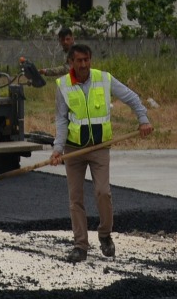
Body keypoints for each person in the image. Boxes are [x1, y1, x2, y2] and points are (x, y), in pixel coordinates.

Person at [49, 43, 152, 262]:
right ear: (71, 63)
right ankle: (80, 246)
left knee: (103, 192)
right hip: (73, 149)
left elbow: (131, 97)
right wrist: (58, 149)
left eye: (87, 60)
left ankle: (105, 234)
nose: (84, 64)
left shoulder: (103, 79)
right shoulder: (63, 85)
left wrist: (143, 119)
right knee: (75, 198)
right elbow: (61, 119)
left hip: (99, 148)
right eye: (79, 61)